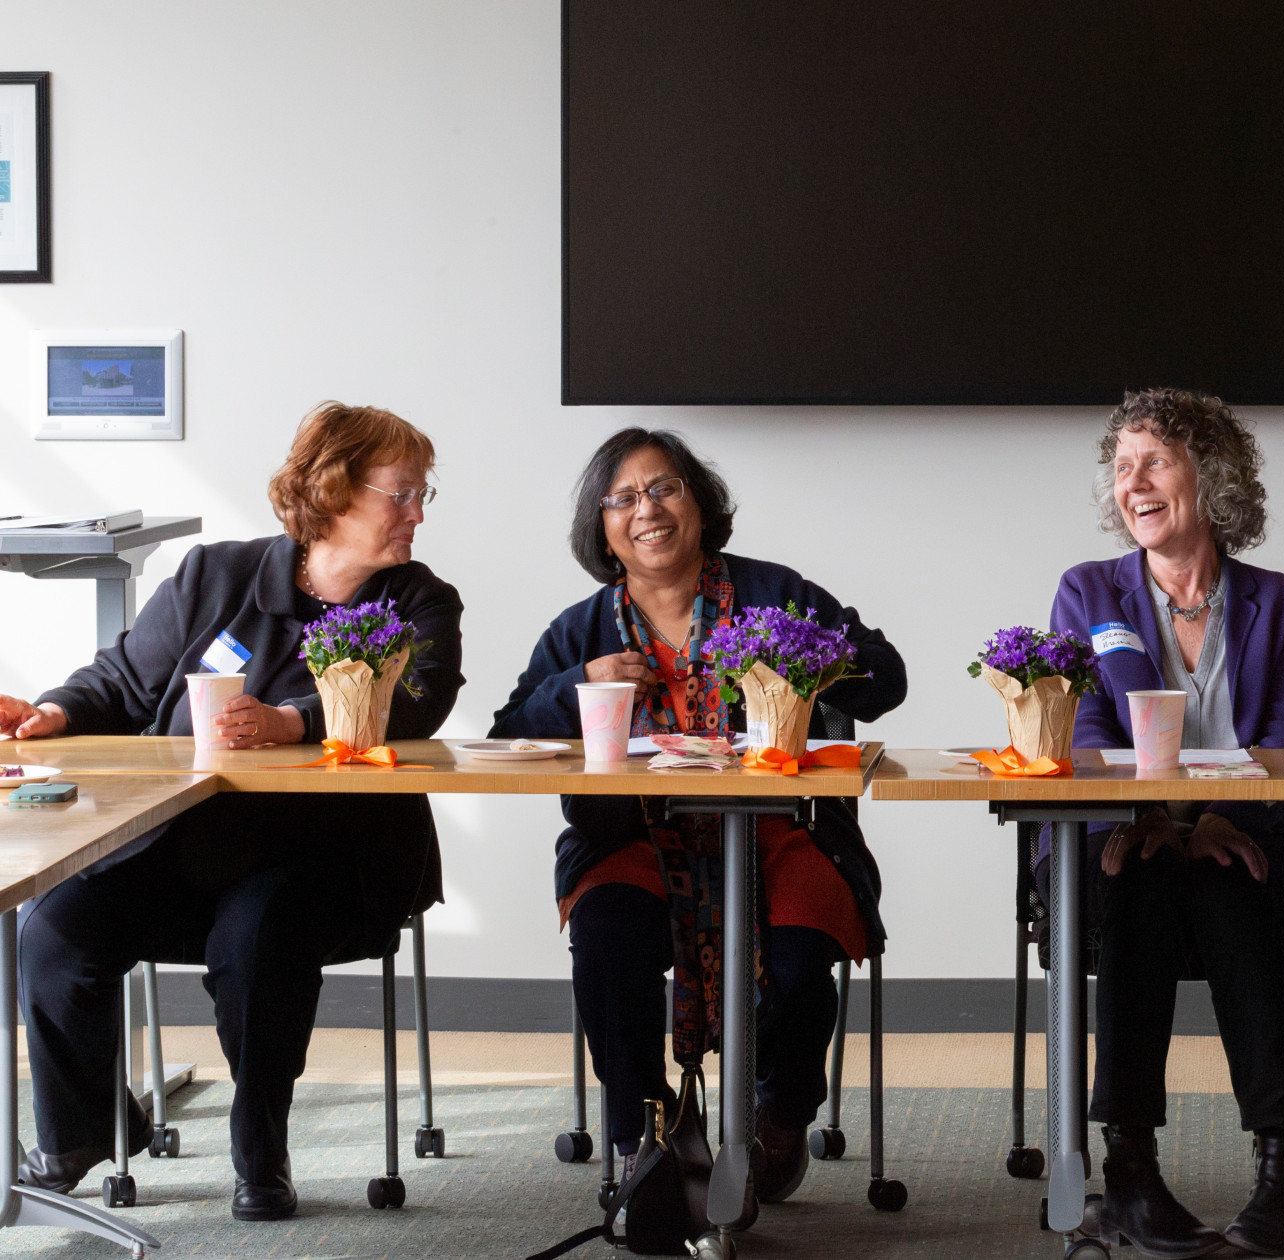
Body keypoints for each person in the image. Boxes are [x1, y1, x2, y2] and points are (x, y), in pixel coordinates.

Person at [0, 402, 464, 1220]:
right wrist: (55, 714)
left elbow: (413, 706)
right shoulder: (213, 576)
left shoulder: (419, 603)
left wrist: (294, 723)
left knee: (258, 932)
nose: (417, 513)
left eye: (423, 494)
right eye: (402, 494)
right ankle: (82, 1131)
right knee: (54, 925)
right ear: (333, 492)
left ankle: (260, 1149)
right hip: (177, 850)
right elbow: (123, 682)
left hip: (325, 858)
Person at [489, 428, 907, 1207]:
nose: (646, 509)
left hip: (779, 831)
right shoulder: (583, 628)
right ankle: (646, 1140)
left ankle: (778, 1116)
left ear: (699, 503)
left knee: (798, 961)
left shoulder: (772, 590)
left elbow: (886, 681)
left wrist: (806, 655)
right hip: (633, 837)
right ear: (603, 527)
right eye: (622, 498)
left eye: (664, 488)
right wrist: (578, 684)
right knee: (607, 940)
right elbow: (507, 731)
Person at [1050, 389, 1284, 1258]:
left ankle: (1282, 1168)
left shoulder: (1280, 602)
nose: (1135, 483)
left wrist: (1210, 820)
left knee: (1227, 880)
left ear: (1215, 478)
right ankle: (1127, 1173)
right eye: (1122, 467)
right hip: (1115, 835)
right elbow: (1085, 728)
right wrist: (1153, 815)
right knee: (1141, 884)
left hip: (1243, 834)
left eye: (1155, 460)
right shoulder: (1089, 591)